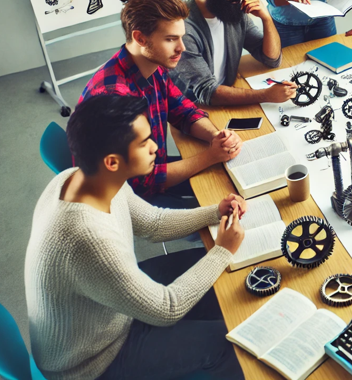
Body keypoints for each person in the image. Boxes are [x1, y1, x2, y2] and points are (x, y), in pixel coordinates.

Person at [26, 94, 248, 380]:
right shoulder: (87, 240)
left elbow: (153, 223)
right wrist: (222, 251)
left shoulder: (84, 177)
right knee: (229, 341)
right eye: (144, 143)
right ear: (112, 161)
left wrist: (213, 212)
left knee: (224, 285)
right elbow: (167, 308)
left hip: (107, 313)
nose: (156, 147)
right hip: (95, 362)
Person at [80, 0, 243, 205]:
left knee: (232, 183)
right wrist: (211, 156)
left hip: (153, 166)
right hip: (128, 199)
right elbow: (143, 182)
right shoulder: (114, 100)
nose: (181, 48)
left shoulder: (153, 64)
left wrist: (215, 137)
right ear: (140, 38)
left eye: (181, 37)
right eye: (170, 39)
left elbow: (182, 110)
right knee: (228, 207)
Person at [173, 0, 294, 106]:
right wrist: (265, 95)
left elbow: (272, 59)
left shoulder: (232, 10)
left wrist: (266, 19)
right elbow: (208, 92)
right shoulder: (183, 28)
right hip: (196, 107)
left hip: (228, 93)